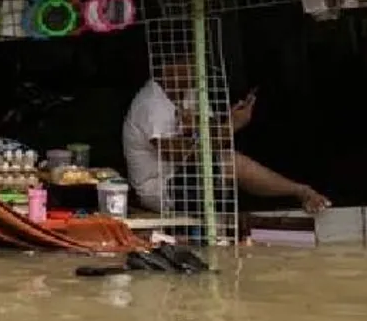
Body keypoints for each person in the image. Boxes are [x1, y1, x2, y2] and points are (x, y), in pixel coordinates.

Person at [122, 61, 330, 215]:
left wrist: (221, 123)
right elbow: (182, 154)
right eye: (189, 65)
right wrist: (232, 126)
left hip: (187, 177)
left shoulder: (190, 93)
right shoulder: (151, 105)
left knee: (225, 162)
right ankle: (299, 191)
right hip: (159, 189)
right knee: (230, 162)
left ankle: (299, 191)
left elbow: (209, 131)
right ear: (169, 67)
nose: (196, 71)